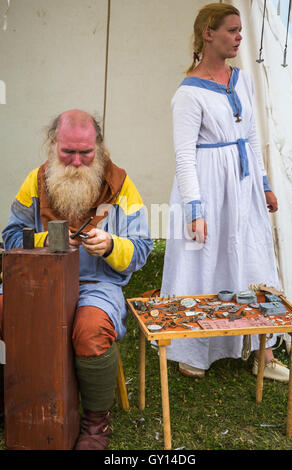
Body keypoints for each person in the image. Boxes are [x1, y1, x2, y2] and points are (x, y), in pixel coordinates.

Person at [161, 3, 292, 382]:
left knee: (254, 261)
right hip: (207, 187)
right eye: (232, 30)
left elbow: (251, 136)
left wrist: (265, 184)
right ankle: (195, 350)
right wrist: (194, 208)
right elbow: (184, 156)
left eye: (240, 30)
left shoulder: (241, 80)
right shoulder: (188, 94)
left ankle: (263, 350)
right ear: (209, 34)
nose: (239, 37)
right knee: (205, 264)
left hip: (243, 185)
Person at [0, 109, 153, 449]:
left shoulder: (122, 185)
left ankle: (96, 424)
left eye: (86, 152)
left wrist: (112, 245)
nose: (78, 161)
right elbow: (10, 237)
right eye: (68, 152)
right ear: (52, 143)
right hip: (37, 282)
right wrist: (47, 242)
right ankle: (13, 396)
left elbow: (142, 249)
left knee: (90, 329)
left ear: (99, 146)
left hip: (96, 285)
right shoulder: (34, 182)